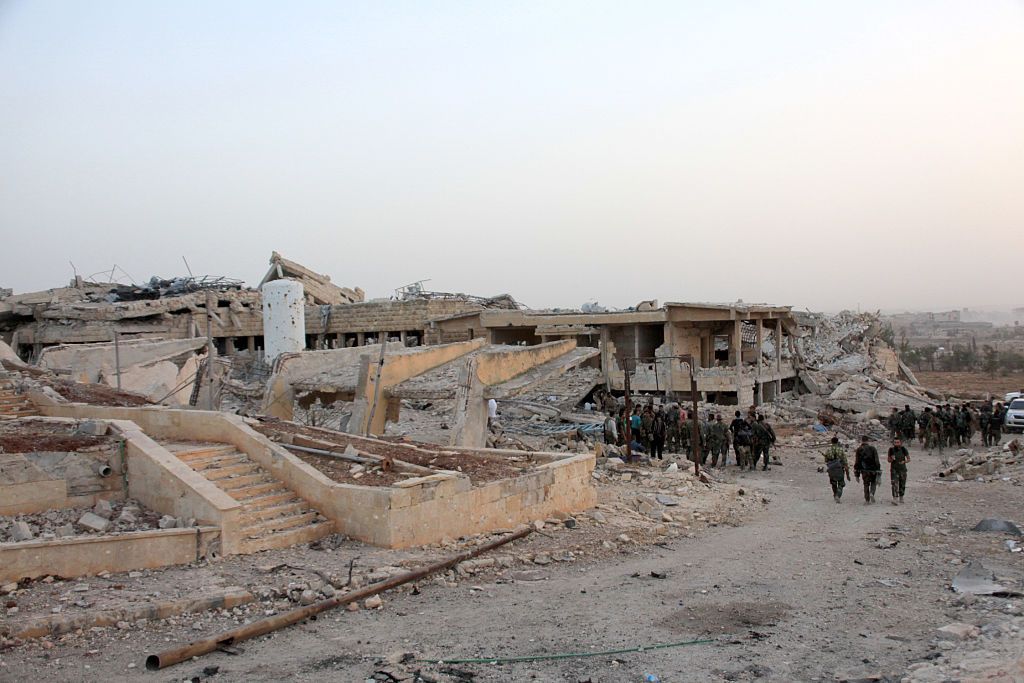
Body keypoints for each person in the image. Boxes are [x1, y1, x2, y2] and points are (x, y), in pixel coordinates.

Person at [854, 436, 881, 504]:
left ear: (862, 440)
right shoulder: (873, 448)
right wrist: (878, 469)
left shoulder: (859, 449)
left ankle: (867, 500)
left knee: (866, 484)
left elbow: (857, 462)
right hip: (873, 470)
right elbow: (876, 460)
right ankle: (872, 493)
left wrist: (857, 474)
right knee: (873, 482)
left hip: (864, 470)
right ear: (868, 441)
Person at [823, 436, 850, 503]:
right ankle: (838, 495)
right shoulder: (841, 450)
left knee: (833, 483)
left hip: (831, 469)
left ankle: (835, 495)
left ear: (831, 442)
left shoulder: (828, 450)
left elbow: (826, 460)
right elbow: (845, 461)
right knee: (841, 483)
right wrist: (847, 474)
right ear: (837, 442)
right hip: (840, 468)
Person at [887, 437, 910, 505]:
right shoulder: (891, 450)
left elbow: (908, 459)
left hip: (902, 469)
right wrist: (891, 458)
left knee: (902, 484)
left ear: (901, 443)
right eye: (895, 442)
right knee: (894, 484)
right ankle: (895, 498)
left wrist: (904, 461)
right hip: (894, 469)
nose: (896, 444)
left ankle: (901, 497)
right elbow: (888, 460)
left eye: (898, 442)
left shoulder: (903, 449)